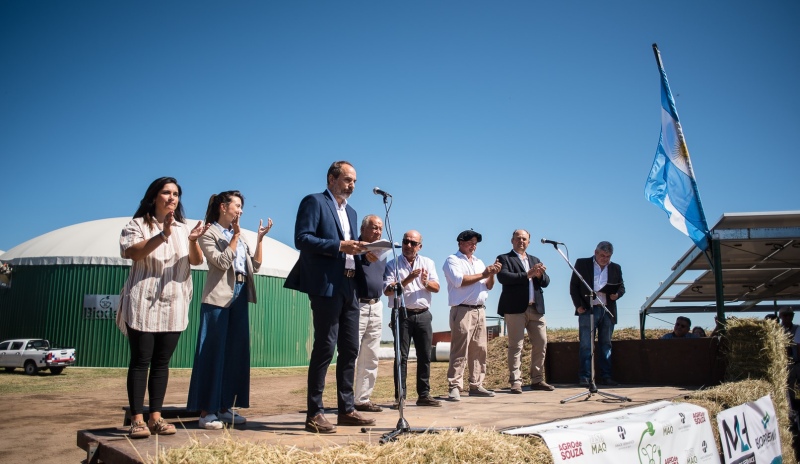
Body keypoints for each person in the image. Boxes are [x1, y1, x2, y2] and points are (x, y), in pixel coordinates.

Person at [284, 161, 375, 434]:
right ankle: (315, 413)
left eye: (355, 181)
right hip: (326, 287)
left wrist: (361, 252)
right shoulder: (314, 202)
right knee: (325, 347)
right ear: (331, 178)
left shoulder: (353, 212)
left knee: (350, 349)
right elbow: (302, 239)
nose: (352, 185)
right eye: (348, 179)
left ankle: (346, 410)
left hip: (350, 287)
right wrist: (339, 246)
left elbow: (349, 248)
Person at [116, 177, 206, 439]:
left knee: (162, 363)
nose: (172, 198)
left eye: (176, 194)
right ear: (153, 196)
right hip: (143, 301)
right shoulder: (137, 225)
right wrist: (163, 234)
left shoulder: (183, 227)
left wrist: (191, 240)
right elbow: (134, 253)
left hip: (174, 301)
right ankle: (137, 419)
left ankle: (156, 416)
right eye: (166, 193)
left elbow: (196, 260)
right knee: (141, 360)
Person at [187, 191, 273, 429]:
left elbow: (254, 265)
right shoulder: (209, 233)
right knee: (213, 353)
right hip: (218, 297)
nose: (241, 210)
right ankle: (206, 411)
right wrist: (235, 237)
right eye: (237, 205)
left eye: (242, 206)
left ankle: (225, 407)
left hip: (241, 293)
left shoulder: (240, 236)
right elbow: (222, 262)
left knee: (235, 353)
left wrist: (260, 239)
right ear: (223, 207)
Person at [442, 229, 502, 400]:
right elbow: (459, 281)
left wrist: (491, 274)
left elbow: (488, 286)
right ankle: (454, 385)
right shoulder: (452, 260)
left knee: (479, 349)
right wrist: (484, 274)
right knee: (459, 349)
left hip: (479, 310)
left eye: (475, 243)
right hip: (462, 310)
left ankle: (476, 384)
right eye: (470, 243)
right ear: (460, 243)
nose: (473, 246)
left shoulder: (479, 262)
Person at [384, 230, 442, 407]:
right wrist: (408, 279)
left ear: (420, 246)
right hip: (401, 314)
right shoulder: (392, 264)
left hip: (423, 314)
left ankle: (423, 395)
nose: (408, 245)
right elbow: (387, 290)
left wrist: (425, 282)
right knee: (401, 357)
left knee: (424, 355)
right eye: (405, 241)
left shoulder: (428, 263)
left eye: (413, 243)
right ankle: (400, 397)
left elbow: (436, 287)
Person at [496, 229, 553, 394]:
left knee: (541, 343)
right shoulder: (504, 258)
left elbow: (546, 282)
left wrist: (540, 275)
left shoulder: (535, 260)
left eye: (524, 239)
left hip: (536, 308)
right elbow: (504, 278)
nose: (521, 241)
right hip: (515, 309)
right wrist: (527, 274)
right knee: (516, 346)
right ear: (512, 241)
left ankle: (537, 379)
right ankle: (516, 381)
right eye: (518, 238)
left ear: (529, 242)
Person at [569, 241, 625, 387]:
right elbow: (574, 286)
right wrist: (578, 306)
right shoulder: (582, 263)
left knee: (606, 344)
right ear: (595, 252)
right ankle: (585, 377)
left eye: (608, 256)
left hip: (607, 310)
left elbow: (622, 287)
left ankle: (606, 377)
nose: (604, 258)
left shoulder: (615, 268)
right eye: (602, 255)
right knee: (586, 345)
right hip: (588, 310)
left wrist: (616, 295)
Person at [353, 214, 386, 413]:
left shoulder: (382, 253)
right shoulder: (354, 248)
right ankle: (347, 400)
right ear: (363, 229)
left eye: (380, 228)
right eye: (374, 227)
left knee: (371, 355)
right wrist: (362, 255)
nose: (378, 231)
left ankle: (362, 399)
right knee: (352, 354)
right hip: (357, 305)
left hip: (377, 305)